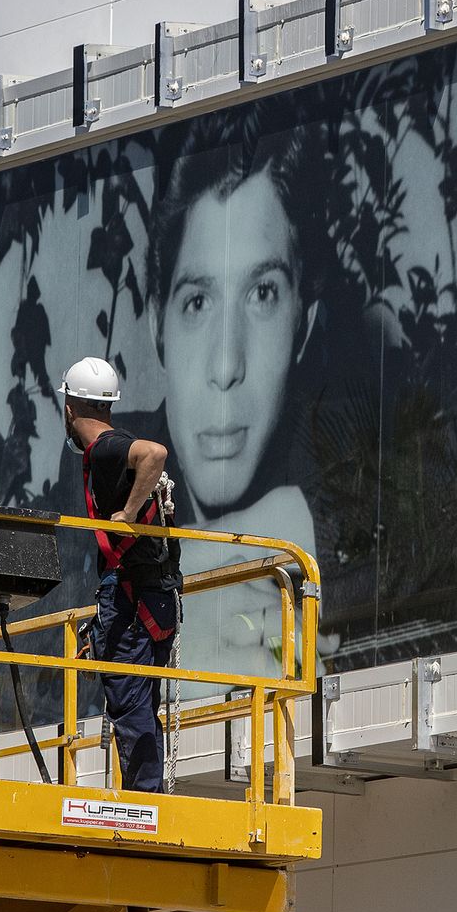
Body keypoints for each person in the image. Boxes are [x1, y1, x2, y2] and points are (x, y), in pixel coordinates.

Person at [143, 109, 335, 684]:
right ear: (159, 327)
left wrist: (309, 525)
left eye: (263, 294)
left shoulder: (348, 470)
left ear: (304, 321)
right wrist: (184, 580)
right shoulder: (93, 482)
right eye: (197, 302)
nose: (227, 366)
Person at [62, 356, 179, 793]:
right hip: (152, 596)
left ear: (70, 408)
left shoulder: (108, 448)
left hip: (131, 598)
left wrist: (126, 514)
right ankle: (149, 793)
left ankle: (145, 800)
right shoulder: (113, 449)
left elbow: (156, 453)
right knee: (140, 700)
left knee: (130, 699)